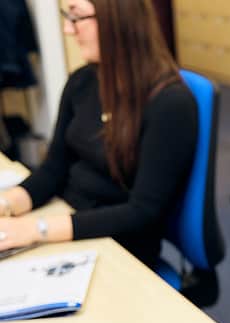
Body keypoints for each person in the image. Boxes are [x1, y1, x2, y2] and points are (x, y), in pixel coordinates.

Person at [0, 0, 197, 268]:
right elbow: (52, 171)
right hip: (71, 221)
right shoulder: (81, 82)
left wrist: (38, 229)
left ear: (117, 19)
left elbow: (142, 213)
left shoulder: (171, 103)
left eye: (76, 17)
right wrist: (7, 203)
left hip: (122, 245)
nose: (69, 30)